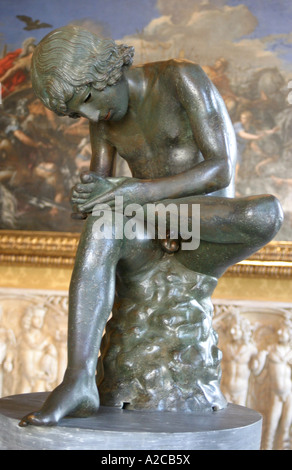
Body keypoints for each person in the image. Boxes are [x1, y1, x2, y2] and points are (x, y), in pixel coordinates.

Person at [19, 26, 283, 426]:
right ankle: (78, 381)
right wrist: (91, 196)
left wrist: (136, 194)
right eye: (77, 113)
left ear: (106, 69)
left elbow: (220, 169)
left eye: (88, 99)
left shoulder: (180, 78)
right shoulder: (103, 120)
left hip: (200, 228)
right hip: (149, 229)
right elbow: (103, 193)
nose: (90, 115)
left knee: (266, 213)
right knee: (104, 225)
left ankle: (146, 212)